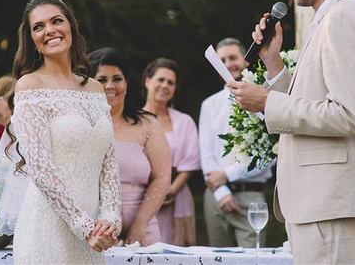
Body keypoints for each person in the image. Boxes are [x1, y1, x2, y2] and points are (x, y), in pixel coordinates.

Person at [228, 0, 355, 264]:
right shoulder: (327, 18)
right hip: (318, 202)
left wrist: (267, 102)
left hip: (332, 200)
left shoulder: (343, 16)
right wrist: (273, 65)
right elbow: (316, 106)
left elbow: (350, 114)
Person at [5, 0, 120, 263]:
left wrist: (110, 217)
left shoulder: (95, 87)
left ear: (71, 27)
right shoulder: (30, 86)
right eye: (39, 26)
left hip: (93, 235)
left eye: (57, 21)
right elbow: (40, 169)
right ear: (31, 39)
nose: (50, 30)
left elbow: (110, 162)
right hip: (48, 229)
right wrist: (84, 227)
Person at [89, 48, 171, 246]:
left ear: (126, 84)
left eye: (117, 78)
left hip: (143, 231)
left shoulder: (148, 124)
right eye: (101, 79)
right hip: (95, 233)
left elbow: (162, 177)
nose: (110, 85)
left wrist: (140, 223)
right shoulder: (80, 126)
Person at [198, 37, 272, 248]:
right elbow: (206, 153)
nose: (228, 64)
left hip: (251, 196)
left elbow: (271, 153)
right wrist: (221, 192)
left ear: (245, 60)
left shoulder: (265, 98)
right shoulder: (209, 105)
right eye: (222, 60)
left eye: (233, 57)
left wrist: (228, 175)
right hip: (215, 196)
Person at [141, 58, 201, 246]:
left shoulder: (185, 122)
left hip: (177, 196)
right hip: (142, 198)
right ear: (148, 81)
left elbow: (190, 162)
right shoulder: (133, 121)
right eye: (161, 80)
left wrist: (170, 190)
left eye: (171, 83)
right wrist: (154, 193)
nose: (165, 86)